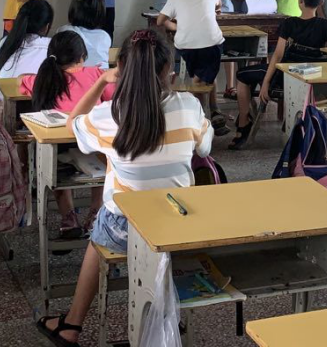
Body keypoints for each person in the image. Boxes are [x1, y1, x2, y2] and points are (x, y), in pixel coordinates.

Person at [35, 30, 211, 345]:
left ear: (122, 70)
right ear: (167, 69)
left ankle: (72, 324)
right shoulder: (188, 105)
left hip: (126, 229)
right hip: (180, 222)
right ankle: (169, 314)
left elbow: (72, 124)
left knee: (102, 227)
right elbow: (204, 149)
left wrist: (102, 81)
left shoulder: (110, 114)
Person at [229, 0, 327, 149]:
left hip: (283, 78)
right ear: (321, 2)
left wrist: (266, 83)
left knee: (242, 75)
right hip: (310, 80)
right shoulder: (325, 25)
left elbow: (277, 56)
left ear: (300, 0)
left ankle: (243, 121)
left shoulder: (289, 23)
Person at [23, 31, 113, 239]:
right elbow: (113, 97)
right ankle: (95, 212)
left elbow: (21, 81)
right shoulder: (96, 74)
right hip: (93, 146)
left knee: (52, 162)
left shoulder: (43, 80)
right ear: (82, 57)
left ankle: (69, 217)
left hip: (58, 151)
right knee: (104, 155)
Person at [157, 0, 227, 134]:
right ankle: (209, 113)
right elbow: (218, 6)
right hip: (212, 44)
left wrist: (177, 26)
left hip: (185, 46)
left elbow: (160, 21)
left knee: (200, 76)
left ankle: (204, 113)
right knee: (205, 74)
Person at [0, 0, 55, 79]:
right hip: (35, 87)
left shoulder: (7, 41)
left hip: (3, 87)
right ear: (46, 27)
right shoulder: (53, 47)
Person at [61, 0, 112, 69]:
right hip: (100, 76)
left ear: (73, 10)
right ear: (100, 13)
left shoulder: (64, 31)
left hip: (73, 76)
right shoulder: (104, 36)